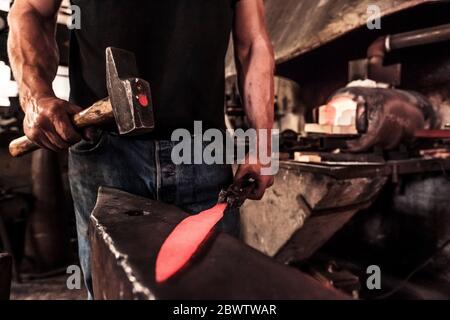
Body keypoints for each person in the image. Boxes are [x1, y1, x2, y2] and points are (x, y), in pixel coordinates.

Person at [8, 0, 275, 298]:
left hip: (203, 150)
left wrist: (263, 144)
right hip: (105, 152)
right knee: (113, 289)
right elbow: (29, 9)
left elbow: (253, 44)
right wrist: (36, 97)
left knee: (214, 293)